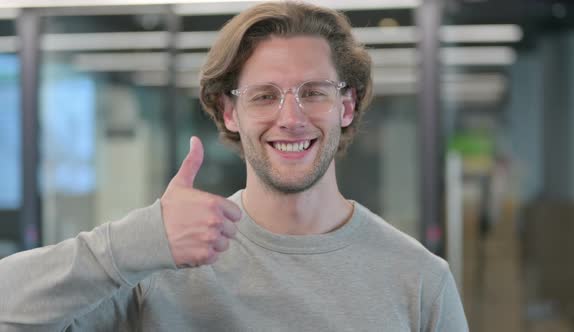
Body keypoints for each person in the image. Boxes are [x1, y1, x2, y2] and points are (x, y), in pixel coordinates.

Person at [0, 2, 468, 331]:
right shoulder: (157, 264)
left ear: (345, 107)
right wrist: (131, 243)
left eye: (314, 92)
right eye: (265, 96)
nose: (291, 118)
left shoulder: (420, 280)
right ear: (229, 112)